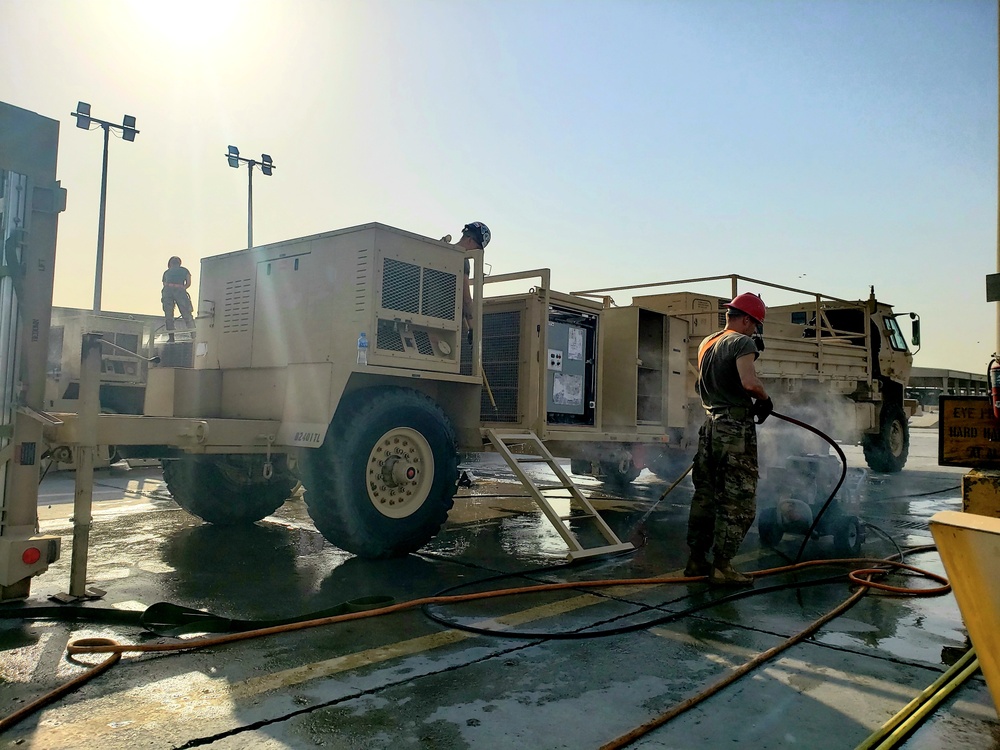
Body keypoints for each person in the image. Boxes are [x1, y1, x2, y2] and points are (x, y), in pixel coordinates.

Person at [684, 292, 773, 586]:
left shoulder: (707, 342)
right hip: (734, 428)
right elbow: (749, 382)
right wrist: (764, 398)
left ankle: (696, 560)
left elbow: (708, 383)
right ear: (746, 320)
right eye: (755, 324)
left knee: (705, 495)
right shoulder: (742, 342)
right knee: (738, 500)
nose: (755, 331)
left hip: (709, 426)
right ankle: (723, 566)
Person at [454, 222, 491, 340]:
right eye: (477, 248)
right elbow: (466, 299)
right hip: (445, 323)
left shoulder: (441, 251)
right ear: (470, 240)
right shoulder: (462, 259)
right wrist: (473, 329)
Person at [161, 255, 195, 342]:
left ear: (170, 264)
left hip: (169, 291)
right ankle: (194, 335)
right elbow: (188, 283)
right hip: (179, 291)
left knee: (169, 316)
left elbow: (164, 283)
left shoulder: (166, 272)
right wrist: (182, 288)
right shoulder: (184, 270)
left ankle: (171, 337)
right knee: (186, 314)